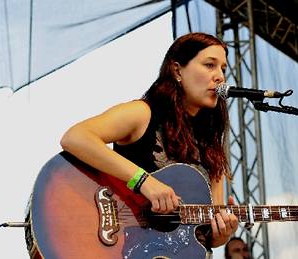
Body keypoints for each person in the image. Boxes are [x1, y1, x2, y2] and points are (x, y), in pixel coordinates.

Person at [60, 32, 239, 251]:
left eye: (223, 69)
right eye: (210, 65)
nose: (220, 76)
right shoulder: (142, 113)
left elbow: (206, 234)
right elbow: (75, 137)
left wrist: (221, 235)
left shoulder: (211, 147)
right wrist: (144, 182)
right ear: (177, 70)